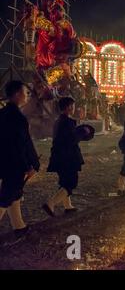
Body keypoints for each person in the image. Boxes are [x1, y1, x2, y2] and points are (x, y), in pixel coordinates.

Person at [0, 81, 40, 237]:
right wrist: (29, 166)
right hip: (14, 163)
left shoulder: (2, 113)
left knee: (14, 194)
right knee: (7, 196)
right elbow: (21, 145)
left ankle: (19, 226)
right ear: (17, 94)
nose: (27, 95)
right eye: (25, 92)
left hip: (4, 160)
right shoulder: (18, 118)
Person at [43, 97, 89, 216]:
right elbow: (72, 140)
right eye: (72, 106)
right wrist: (83, 132)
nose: (74, 108)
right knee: (71, 182)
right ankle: (51, 203)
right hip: (68, 157)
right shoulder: (67, 122)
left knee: (64, 181)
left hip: (59, 156)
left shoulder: (59, 121)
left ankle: (68, 206)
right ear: (68, 107)